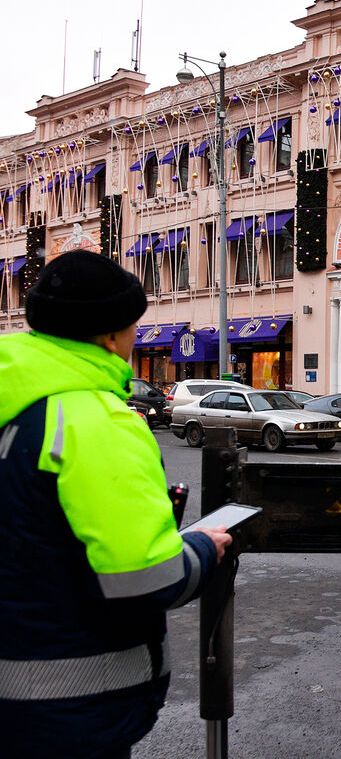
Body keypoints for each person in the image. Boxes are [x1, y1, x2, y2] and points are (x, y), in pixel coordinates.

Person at [0, 250, 233, 759]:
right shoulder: (96, 422)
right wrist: (199, 549)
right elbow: (147, 579)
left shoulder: (11, 405)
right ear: (110, 335)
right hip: (66, 711)